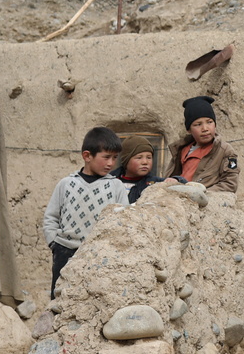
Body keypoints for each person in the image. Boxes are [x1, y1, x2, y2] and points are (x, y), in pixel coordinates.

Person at [42, 126, 126, 297]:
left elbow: (123, 220)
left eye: (115, 158)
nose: (111, 163)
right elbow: (51, 216)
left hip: (100, 254)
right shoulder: (66, 184)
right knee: (61, 299)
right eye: (106, 157)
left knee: (94, 299)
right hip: (66, 252)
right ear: (87, 156)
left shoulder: (116, 186)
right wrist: (54, 244)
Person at [163, 96, 240, 192]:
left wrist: (202, 193)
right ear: (188, 130)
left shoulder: (225, 151)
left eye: (209, 122)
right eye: (198, 124)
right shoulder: (182, 150)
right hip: (180, 198)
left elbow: (230, 184)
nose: (205, 128)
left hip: (206, 201)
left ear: (215, 124)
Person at [115, 134, 158, 204]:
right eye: (139, 157)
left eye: (149, 157)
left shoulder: (155, 183)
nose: (145, 162)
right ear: (126, 160)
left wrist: (176, 179)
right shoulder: (111, 182)